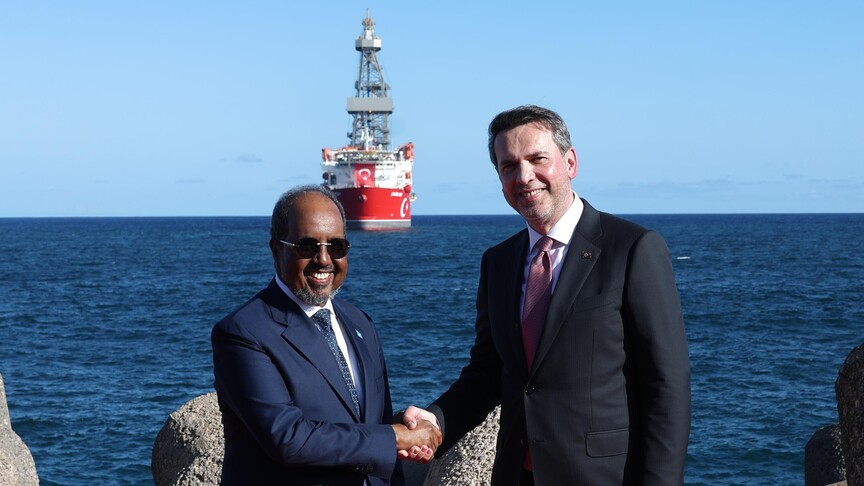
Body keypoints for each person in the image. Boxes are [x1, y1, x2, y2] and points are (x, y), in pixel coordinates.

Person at [403, 105, 691, 485]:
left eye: (537, 159)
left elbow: (666, 385)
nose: (524, 177)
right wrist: (437, 421)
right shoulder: (498, 262)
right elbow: (488, 373)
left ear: (570, 163)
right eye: (509, 166)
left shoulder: (633, 249)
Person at [212, 185, 440, 485]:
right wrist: (395, 437)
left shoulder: (360, 323)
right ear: (276, 249)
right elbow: (289, 438)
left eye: (336, 246)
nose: (323, 259)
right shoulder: (243, 332)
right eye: (307, 246)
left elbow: (370, 424)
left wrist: (403, 426)